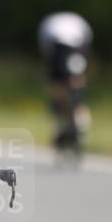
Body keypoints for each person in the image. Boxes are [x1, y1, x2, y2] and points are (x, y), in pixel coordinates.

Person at [37, 11, 93, 154]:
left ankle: (60, 119)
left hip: (59, 48)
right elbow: (87, 44)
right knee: (77, 83)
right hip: (78, 48)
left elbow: (46, 51)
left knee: (56, 87)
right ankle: (80, 116)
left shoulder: (49, 23)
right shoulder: (79, 22)